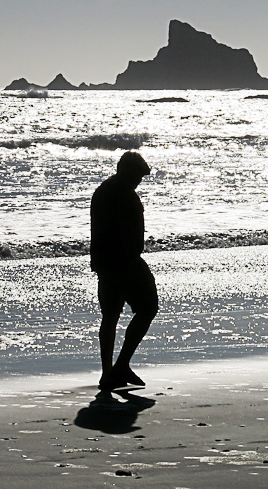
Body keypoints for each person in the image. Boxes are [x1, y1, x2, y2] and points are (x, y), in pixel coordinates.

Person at [90, 151, 158, 391]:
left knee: (110, 316)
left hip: (103, 263)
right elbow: (133, 239)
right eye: (139, 175)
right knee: (148, 308)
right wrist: (133, 262)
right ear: (129, 172)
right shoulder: (127, 197)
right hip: (125, 263)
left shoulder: (102, 191)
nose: (140, 180)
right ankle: (121, 365)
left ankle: (108, 372)